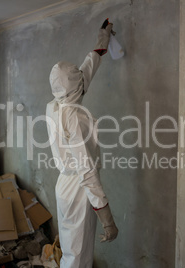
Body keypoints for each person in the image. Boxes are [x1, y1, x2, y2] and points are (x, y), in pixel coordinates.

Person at [46, 20, 118, 268]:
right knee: (78, 256)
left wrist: (103, 38)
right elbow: (87, 172)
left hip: (64, 184)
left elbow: (87, 70)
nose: (83, 79)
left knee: (71, 247)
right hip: (79, 188)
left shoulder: (55, 105)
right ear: (77, 87)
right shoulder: (76, 119)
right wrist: (107, 218)